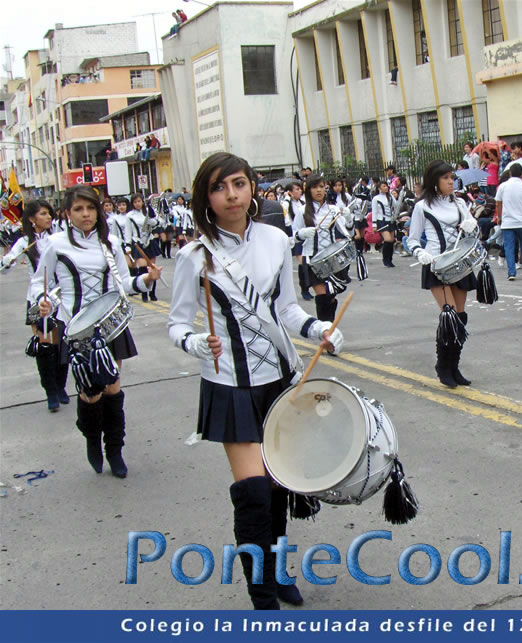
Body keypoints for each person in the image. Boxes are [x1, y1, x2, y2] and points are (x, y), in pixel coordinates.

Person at [168, 153, 342, 610]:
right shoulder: (194, 256)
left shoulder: (275, 239)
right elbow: (177, 323)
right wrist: (194, 343)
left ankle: (277, 571)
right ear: (205, 197)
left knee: (278, 488)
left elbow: (286, 309)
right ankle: (262, 597)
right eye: (219, 187)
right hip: (230, 384)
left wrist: (318, 329)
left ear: (252, 188)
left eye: (239, 184)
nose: (231, 195)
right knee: (253, 494)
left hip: (278, 381)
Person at [35, 186, 161, 478]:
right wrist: (43, 302)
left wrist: (146, 279)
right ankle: (92, 439)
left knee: (113, 387)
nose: (86, 214)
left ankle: (115, 450)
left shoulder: (110, 243)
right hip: (76, 328)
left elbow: (123, 284)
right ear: (67, 213)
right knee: (90, 393)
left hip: (110, 326)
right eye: (78, 209)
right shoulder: (55, 244)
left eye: (90, 208)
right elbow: (40, 283)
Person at [407, 160, 481, 388]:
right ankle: (443, 366)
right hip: (436, 264)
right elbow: (411, 239)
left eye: (452, 177)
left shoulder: (460, 203)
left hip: (459, 263)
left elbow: (474, 231)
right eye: (445, 178)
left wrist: (472, 225)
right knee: (449, 315)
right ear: (434, 181)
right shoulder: (422, 207)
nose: (451, 182)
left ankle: (453, 366)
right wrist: (420, 252)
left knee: (460, 316)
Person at [1, 200, 69, 411]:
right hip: (37, 297)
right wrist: (7, 262)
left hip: (59, 296)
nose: (48, 217)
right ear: (32, 219)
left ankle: (61, 386)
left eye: (49, 213)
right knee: (44, 344)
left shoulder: (57, 238)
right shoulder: (24, 242)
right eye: (43, 214)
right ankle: (50, 391)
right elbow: (5, 268)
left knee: (60, 343)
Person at [293, 175, 355, 320]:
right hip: (312, 258)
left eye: (321, 187)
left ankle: (328, 325)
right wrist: (302, 233)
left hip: (333, 258)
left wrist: (348, 218)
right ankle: (325, 328)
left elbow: (349, 232)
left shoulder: (333, 210)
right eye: (314, 187)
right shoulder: (302, 211)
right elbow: (293, 237)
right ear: (308, 190)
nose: (319, 190)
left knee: (331, 295)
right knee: (323, 296)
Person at [494, 163, 522, 281]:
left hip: (508, 222)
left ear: (510, 173)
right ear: (521, 174)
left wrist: (499, 217)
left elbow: (498, 203)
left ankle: (511, 272)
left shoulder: (503, 186)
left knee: (509, 247)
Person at [127, 193, 161, 302]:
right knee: (142, 269)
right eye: (135, 202)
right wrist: (128, 246)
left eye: (139, 201)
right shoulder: (129, 216)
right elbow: (128, 232)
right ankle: (144, 293)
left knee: (151, 268)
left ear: (142, 202)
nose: (137, 204)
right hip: (138, 243)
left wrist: (152, 221)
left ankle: (152, 293)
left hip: (150, 241)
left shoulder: (148, 211)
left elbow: (158, 222)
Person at [371, 180, 396, 267]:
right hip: (381, 220)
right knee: (387, 239)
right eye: (383, 186)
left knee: (391, 240)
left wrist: (394, 197)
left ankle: (390, 259)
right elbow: (374, 212)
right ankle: (385, 259)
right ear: (379, 188)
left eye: (386, 186)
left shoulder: (390, 197)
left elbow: (396, 206)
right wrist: (374, 224)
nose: (386, 188)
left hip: (391, 220)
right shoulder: (376, 198)